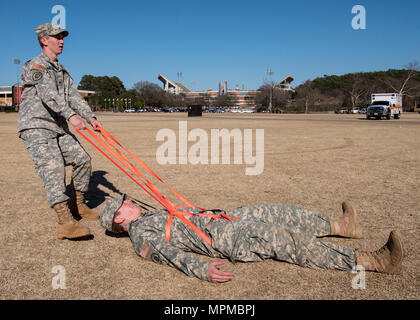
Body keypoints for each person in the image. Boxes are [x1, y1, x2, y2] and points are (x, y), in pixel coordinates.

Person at [99, 194, 404, 283]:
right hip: (230, 239)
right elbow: (169, 254)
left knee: (279, 211)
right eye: (124, 203)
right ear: (118, 218)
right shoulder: (140, 234)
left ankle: (342, 226)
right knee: (290, 241)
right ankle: (372, 261)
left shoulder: (147, 216)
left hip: (226, 219)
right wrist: (201, 269)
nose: (129, 201)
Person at [18, 23, 101, 240]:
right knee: (53, 167)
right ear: (44, 40)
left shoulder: (62, 70)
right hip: (36, 125)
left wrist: (89, 116)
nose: (62, 40)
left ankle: (77, 205)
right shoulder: (37, 65)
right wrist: (71, 116)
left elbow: (73, 96)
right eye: (57, 37)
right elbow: (49, 95)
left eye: (63, 37)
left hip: (57, 126)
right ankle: (65, 222)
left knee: (83, 159)